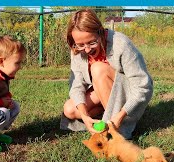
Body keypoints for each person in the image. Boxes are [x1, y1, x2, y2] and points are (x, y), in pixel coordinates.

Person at [60, 9, 153, 140]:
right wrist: (85, 117)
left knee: (97, 68)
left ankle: (119, 131)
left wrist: (121, 115)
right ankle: (105, 120)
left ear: (101, 32)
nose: (86, 49)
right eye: (80, 44)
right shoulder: (76, 49)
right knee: (70, 109)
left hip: (129, 94)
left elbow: (143, 87)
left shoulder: (121, 44)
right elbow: (76, 86)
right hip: (103, 90)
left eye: (92, 42)